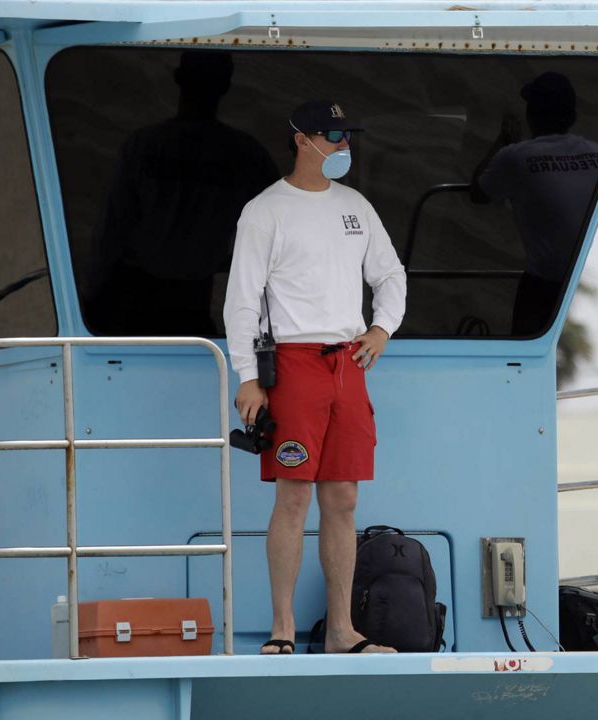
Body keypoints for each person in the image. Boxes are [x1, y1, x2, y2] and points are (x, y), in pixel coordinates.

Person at [223, 99, 407, 655]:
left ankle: (341, 631)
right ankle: (281, 629)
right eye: (334, 135)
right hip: (295, 362)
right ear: (302, 140)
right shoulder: (265, 211)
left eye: (349, 136)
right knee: (294, 494)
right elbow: (242, 300)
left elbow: (390, 273)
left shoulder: (356, 206)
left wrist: (382, 329)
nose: (344, 146)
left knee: (344, 497)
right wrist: (248, 376)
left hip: (349, 362)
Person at [91, 50, 279, 336]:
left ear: (179, 78)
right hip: (181, 296)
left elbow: (111, 229)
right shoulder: (248, 156)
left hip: (146, 295)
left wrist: (93, 294)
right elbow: (280, 231)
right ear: (226, 84)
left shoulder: (143, 146)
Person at [472, 71, 598, 335]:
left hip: (544, 287)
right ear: (572, 116)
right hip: (591, 283)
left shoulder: (515, 156)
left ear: (531, 114)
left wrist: (502, 141)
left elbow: (477, 193)